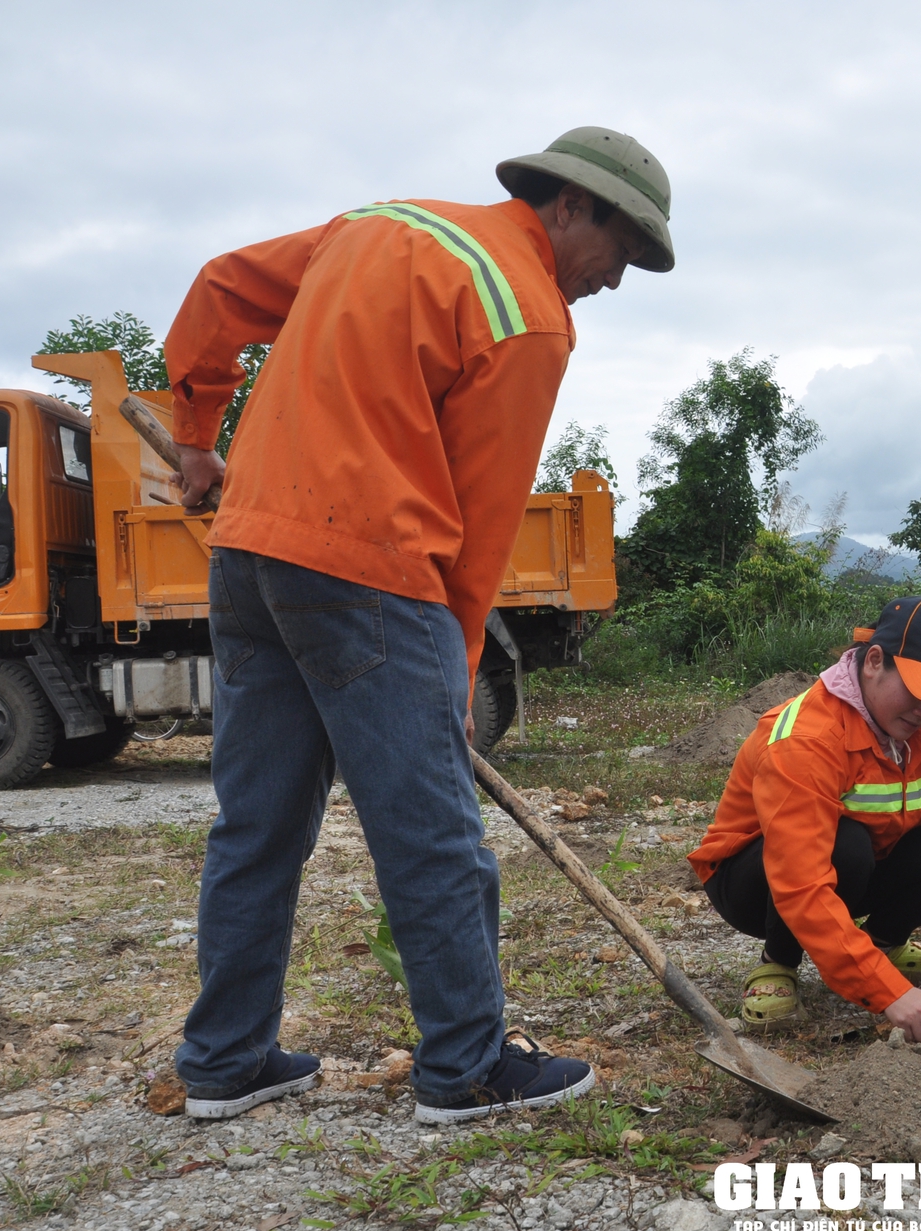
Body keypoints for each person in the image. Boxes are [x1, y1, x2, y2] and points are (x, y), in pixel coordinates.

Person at [162, 128, 676, 1124]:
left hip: (249, 552)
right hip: (370, 570)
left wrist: (193, 440)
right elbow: (480, 529)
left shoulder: (378, 227)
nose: (617, 278)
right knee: (430, 829)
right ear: (569, 206)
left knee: (255, 822)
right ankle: (467, 1066)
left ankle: (223, 1059)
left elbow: (221, 288)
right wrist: (455, 671)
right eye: (622, 250)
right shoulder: (526, 314)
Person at [690, 596, 921, 1041]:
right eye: (918, 692)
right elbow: (801, 882)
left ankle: (882, 943)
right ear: (874, 661)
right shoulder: (807, 739)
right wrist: (889, 993)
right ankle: (777, 961)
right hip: (757, 883)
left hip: (861, 870)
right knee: (846, 844)